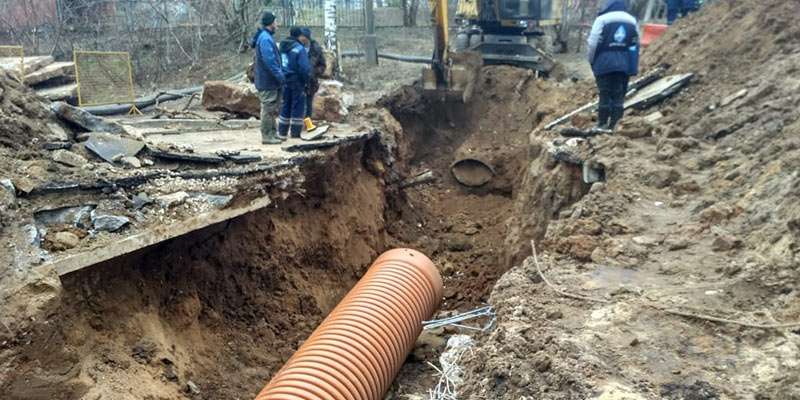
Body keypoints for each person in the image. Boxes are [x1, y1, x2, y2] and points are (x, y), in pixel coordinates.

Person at [586, 0, 639, 131]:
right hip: (624, 63)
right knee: (619, 94)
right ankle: (616, 125)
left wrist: (591, 60)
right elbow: (635, 44)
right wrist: (632, 65)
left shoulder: (602, 19)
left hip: (604, 63)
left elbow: (592, 44)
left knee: (604, 93)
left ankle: (602, 124)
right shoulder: (632, 20)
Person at [252, 12, 285, 144]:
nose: (277, 25)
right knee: (267, 108)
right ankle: (267, 136)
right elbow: (270, 61)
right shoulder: (265, 39)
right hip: (267, 80)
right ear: (271, 23)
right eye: (276, 22)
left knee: (272, 108)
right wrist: (280, 76)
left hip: (270, 80)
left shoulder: (265, 37)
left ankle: (272, 133)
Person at [278, 27, 312, 139]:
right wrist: (306, 81)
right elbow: (304, 68)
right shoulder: (299, 49)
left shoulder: (282, 47)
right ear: (299, 36)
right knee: (297, 106)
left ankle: (282, 132)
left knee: (286, 105)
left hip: (284, 79)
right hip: (297, 80)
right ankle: (295, 133)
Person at [301, 27, 327, 132]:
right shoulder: (296, 47)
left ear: (306, 37)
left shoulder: (316, 49)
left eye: (301, 36)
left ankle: (307, 125)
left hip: (311, 81)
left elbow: (323, 65)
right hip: (298, 80)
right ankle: (295, 126)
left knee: (308, 104)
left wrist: (314, 72)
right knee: (298, 104)